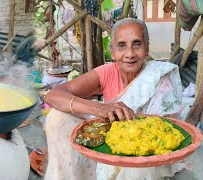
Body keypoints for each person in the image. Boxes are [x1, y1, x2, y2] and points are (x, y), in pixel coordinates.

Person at [44, 18, 184, 180]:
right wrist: (99, 108)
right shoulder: (106, 72)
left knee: (137, 169)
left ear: (146, 48)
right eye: (121, 45)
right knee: (58, 117)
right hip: (110, 144)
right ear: (112, 52)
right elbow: (52, 95)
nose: (130, 54)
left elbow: (166, 128)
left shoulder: (160, 76)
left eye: (137, 44)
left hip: (146, 152)